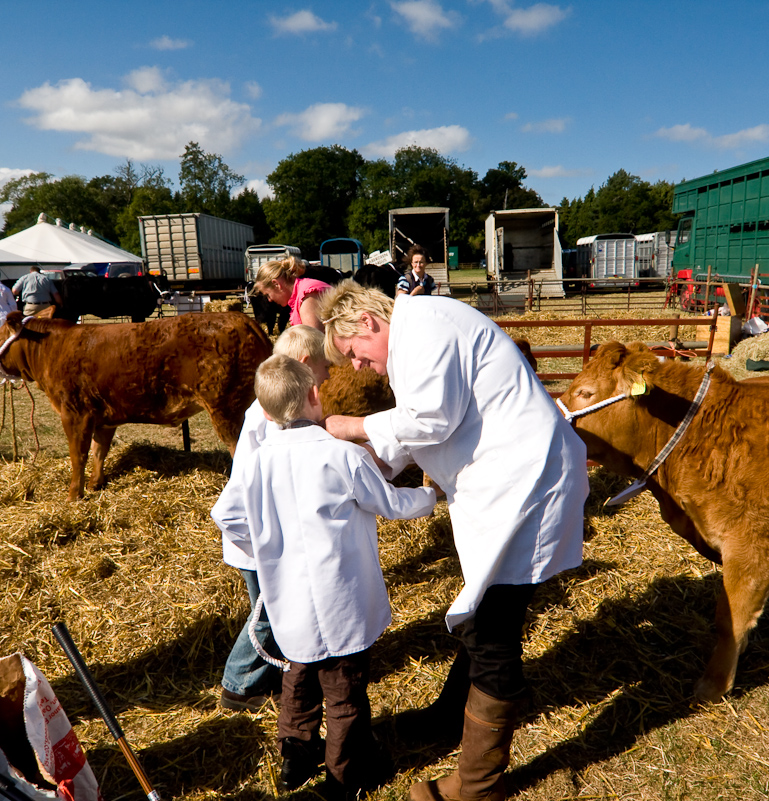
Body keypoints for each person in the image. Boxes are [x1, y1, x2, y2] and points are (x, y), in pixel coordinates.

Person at [319, 281, 589, 801]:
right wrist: (376, 462)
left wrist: (353, 427)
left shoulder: (424, 330)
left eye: (353, 353)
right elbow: (425, 424)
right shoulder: (421, 333)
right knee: (486, 611)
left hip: (523, 486)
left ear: (368, 324)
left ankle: (477, 785)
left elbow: (431, 418)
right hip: (508, 484)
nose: (356, 366)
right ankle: (451, 717)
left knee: (491, 630)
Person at [221, 354, 436, 799]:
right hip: (343, 598)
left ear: (264, 411)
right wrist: (429, 495)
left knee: (297, 677)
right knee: (344, 692)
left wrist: (265, 546)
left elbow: (227, 515)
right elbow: (392, 505)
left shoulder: (257, 463)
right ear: (315, 396)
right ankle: (344, 779)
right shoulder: (343, 456)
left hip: (290, 600)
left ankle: (294, 759)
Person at [211, 326, 332, 712]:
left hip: (263, 533)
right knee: (267, 612)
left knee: (275, 606)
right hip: (257, 539)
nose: (328, 376)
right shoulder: (269, 418)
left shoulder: (269, 408)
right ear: (305, 366)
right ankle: (238, 684)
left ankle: (277, 673)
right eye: (325, 367)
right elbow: (239, 498)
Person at [252, 257, 331, 331]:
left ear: (276, 284)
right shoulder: (302, 293)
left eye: (268, 294)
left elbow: (313, 341)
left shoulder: (308, 297)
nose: (269, 299)